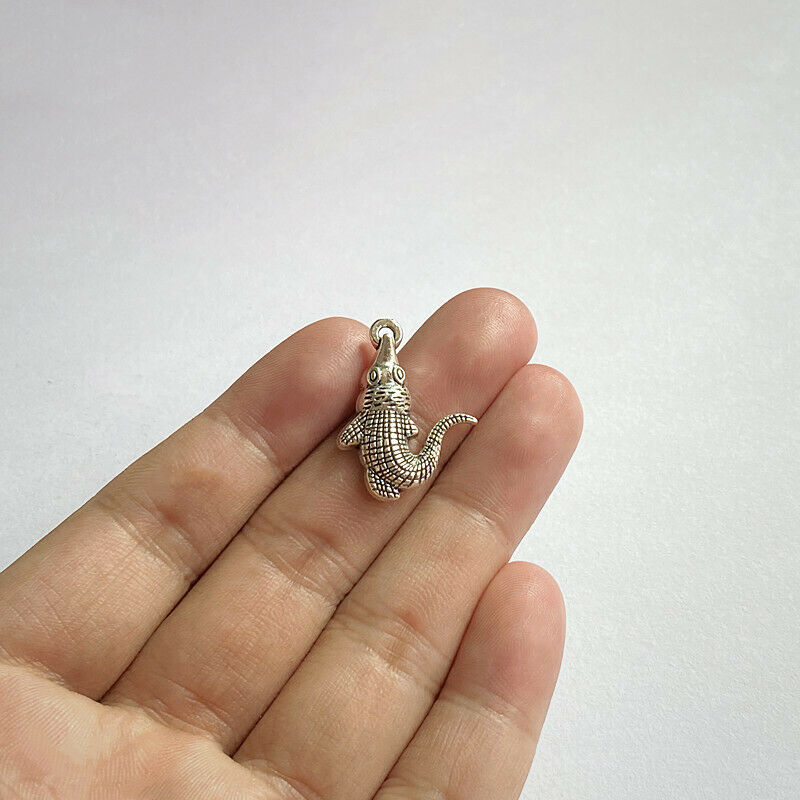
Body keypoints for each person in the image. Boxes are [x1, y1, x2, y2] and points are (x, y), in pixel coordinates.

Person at [0, 289, 582, 799]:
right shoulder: (385, 412)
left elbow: (350, 442)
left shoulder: (377, 416)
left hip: (394, 465)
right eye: (380, 379)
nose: (383, 381)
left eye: (387, 380)